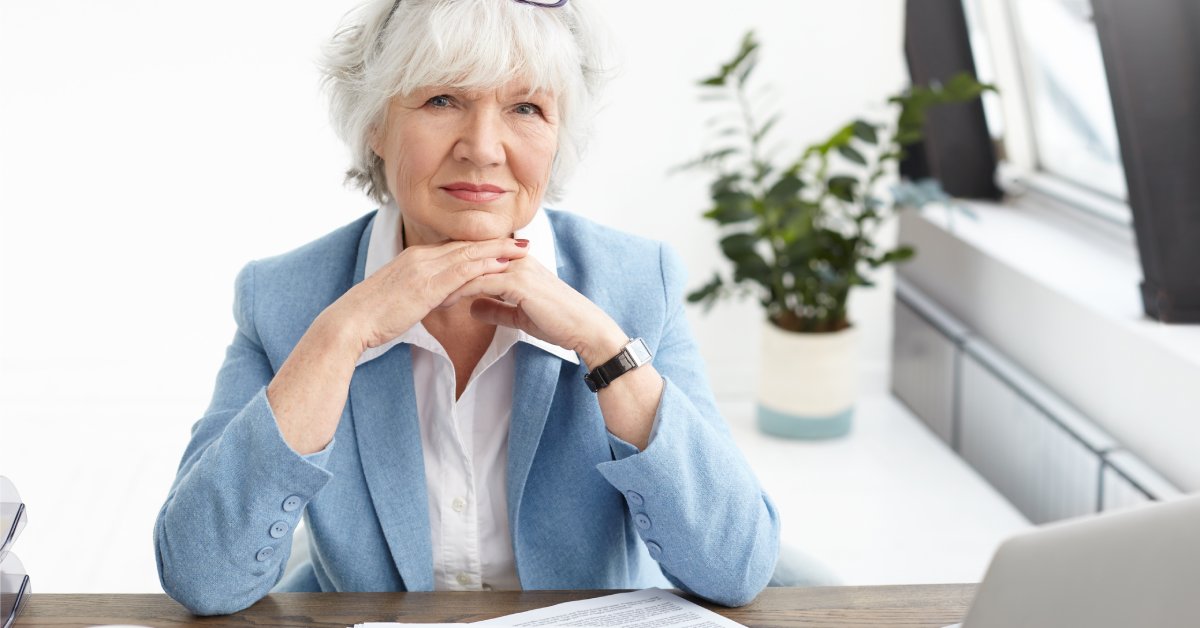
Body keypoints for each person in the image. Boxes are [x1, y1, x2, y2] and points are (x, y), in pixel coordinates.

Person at [154, 0, 780, 615]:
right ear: (376, 122)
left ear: (559, 136)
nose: (482, 148)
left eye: (526, 107)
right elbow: (202, 576)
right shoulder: (283, 298)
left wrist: (605, 351)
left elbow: (736, 568)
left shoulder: (640, 283)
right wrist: (341, 336)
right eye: (441, 100)